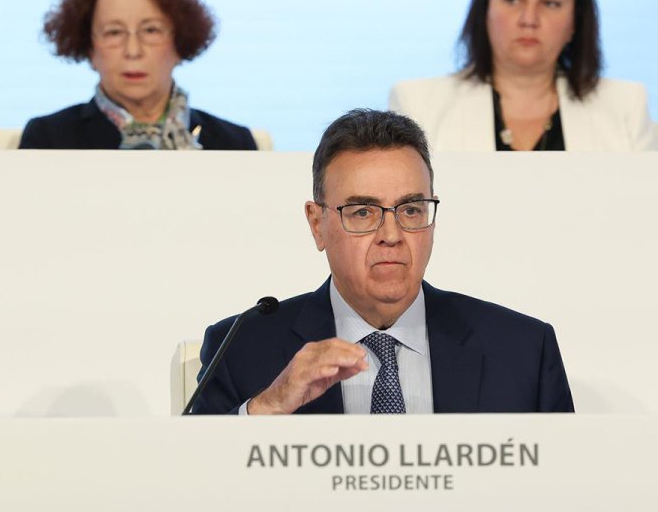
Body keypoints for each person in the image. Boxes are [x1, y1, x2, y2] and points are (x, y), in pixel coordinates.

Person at [190, 109, 574, 415]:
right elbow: (190, 489)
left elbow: (567, 497)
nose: (391, 234)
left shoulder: (522, 350)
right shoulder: (240, 348)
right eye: (362, 212)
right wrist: (269, 407)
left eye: (410, 209)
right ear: (317, 223)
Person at [391, 0, 655, 151]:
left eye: (551, 3)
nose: (529, 18)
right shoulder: (418, 106)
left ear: (575, 22)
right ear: (485, 9)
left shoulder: (625, 107)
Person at [19, 0, 257, 150]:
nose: (133, 51)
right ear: (90, 49)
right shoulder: (48, 138)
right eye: (114, 32)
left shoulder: (234, 142)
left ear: (180, 43)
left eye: (151, 30)